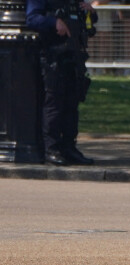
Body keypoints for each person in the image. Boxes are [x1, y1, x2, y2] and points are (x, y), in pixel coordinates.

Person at [26, 0, 98, 165]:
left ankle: (69, 147)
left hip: (74, 56)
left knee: (72, 105)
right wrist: (54, 22)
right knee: (54, 105)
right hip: (53, 56)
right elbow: (32, 18)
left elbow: (87, 24)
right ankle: (51, 149)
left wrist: (90, 13)